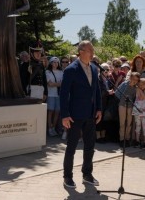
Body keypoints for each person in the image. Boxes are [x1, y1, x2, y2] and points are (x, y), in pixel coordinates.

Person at [60, 40, 102, 189]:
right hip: (74, 115)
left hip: (90, 114)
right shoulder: (71, 70)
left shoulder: (94, 69)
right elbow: (63, 94)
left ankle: (87, 174)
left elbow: (96, 90)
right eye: (90, 50)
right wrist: (64, 115)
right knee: (71, 147)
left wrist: (99, 109)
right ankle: (67, 177)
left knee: (90, 146)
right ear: (82, 52)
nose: (93, 52)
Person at [115, 72, 140, 148]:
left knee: (129, 123)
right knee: (122, 123)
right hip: (122, 105)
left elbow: (136, 97)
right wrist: (122, 100)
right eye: (133, 79)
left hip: (130, 106)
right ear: (130, 78)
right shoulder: (125, 84)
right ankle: (122, 139)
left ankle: (127, 138)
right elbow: (117, 93)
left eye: (136, 80)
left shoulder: (136, 87)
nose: (134, 81)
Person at [46, 57, 63, 137]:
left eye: (57, 62)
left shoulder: (61, 72)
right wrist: (58, 84)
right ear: (50, 63)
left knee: (57, 111)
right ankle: (49, 128)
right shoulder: (47, 72)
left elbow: (62, 83)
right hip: (50, 94)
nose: (55, 64)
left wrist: (54, 84)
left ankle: (53, 128)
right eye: (53, 62)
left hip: (58, 95)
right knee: (50, 111)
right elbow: (49, 84)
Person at [132, 78, 145, 148]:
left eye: (143, 84)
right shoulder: (137, 89)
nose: (141, 86)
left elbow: (143, 97)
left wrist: (139, 89)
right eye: (139, 84)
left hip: (144, 111)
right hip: (137, 109)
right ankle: (137, 140)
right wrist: (138, 89)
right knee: (138, 125)